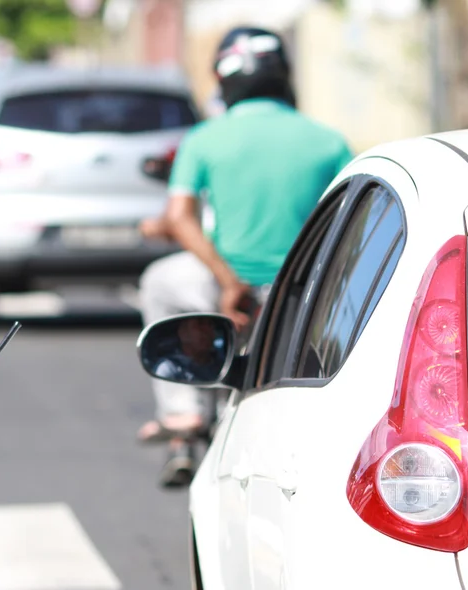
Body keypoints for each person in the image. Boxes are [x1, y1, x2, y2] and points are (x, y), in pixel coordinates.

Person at [136, 26, 354, 488]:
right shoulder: (328, 140)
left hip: (222, 288)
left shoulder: (205, 139)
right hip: (301, 292)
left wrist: (228, 279)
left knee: (159, 281)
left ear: (222, 80)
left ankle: (182, 414)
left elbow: (179, 218)